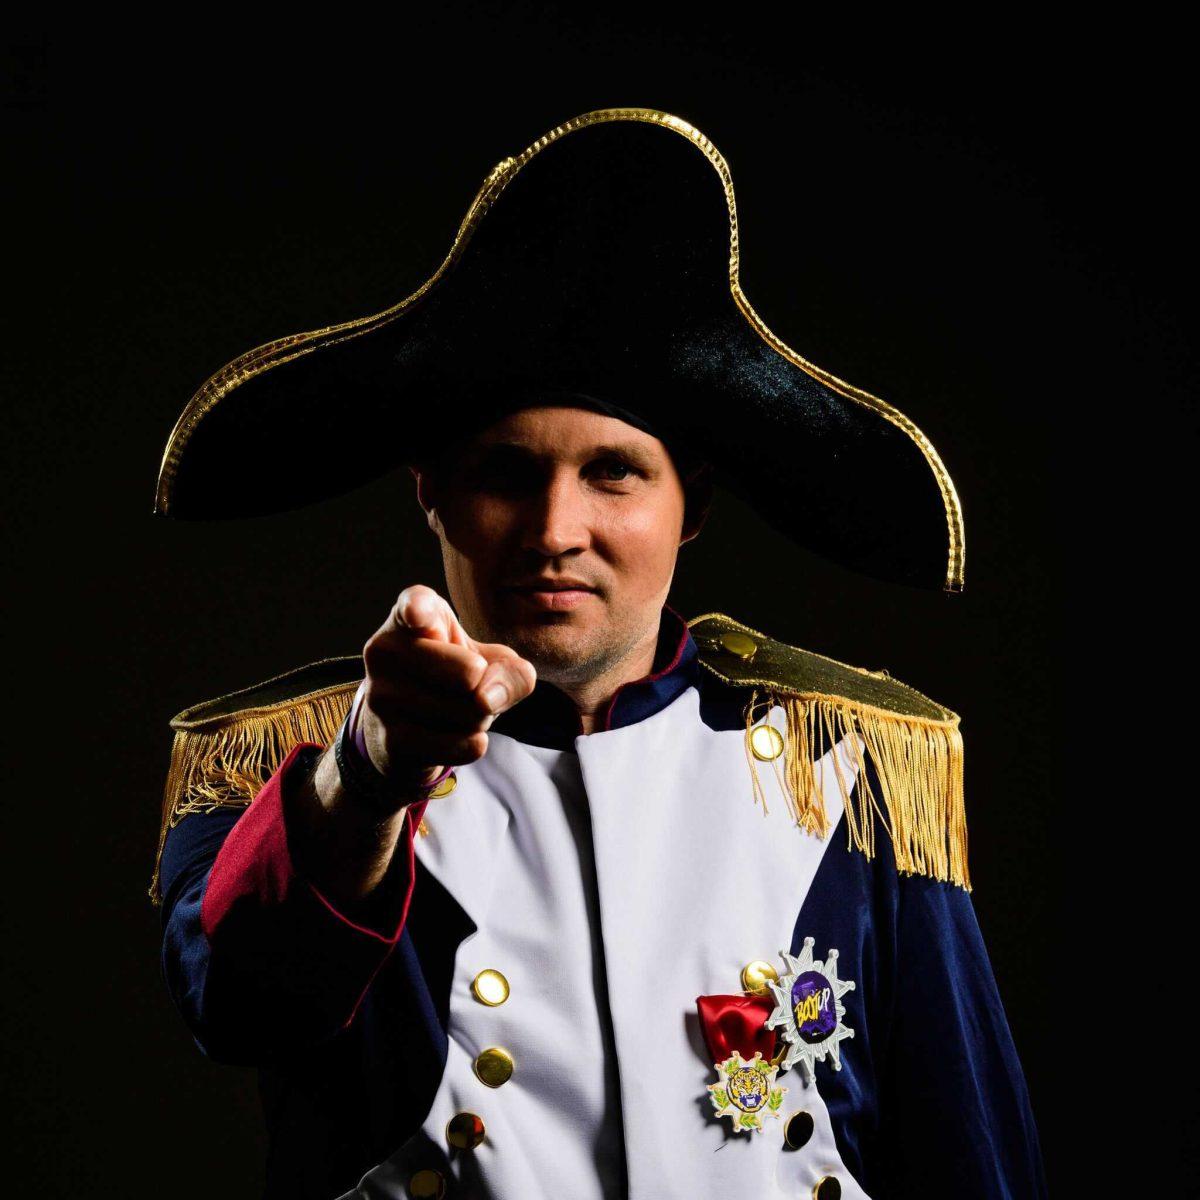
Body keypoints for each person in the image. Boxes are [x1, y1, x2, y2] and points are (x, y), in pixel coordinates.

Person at [149, 108, 1047, 1199]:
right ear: (430, 491)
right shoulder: (294, 764)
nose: (554, 530)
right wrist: (370, 773)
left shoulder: (854, 769)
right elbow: (237, 1002)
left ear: (693, 506)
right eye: (506, 474)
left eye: (614, 473)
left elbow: (971, 1155)